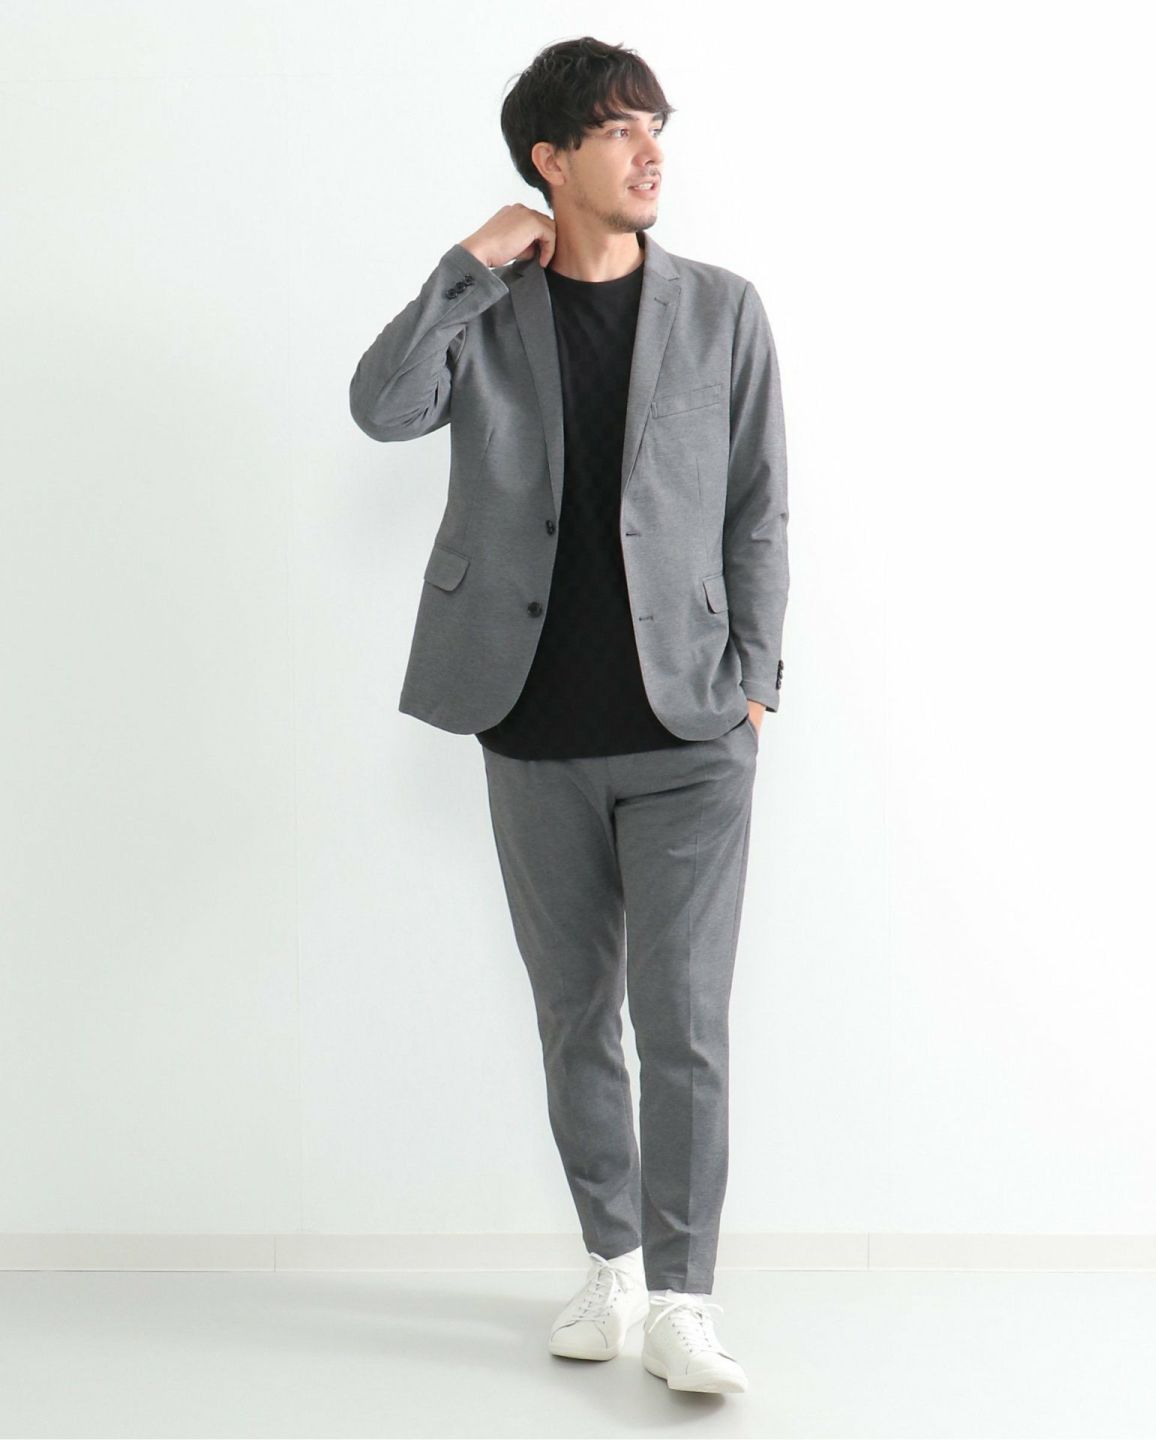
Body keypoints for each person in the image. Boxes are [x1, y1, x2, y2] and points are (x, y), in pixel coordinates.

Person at [348, 36, 788, 1396]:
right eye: (617, 130)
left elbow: (758, 504)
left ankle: (686, 1303)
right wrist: (468, 263)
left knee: (685, 1022)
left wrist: (756, 682)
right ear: (549, 158)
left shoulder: (722, 310)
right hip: (532, 726)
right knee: (573, 1017)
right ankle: (614, 1265)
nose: (651, 151)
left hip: (689, 732)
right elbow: (383, 409)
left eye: (658, 126)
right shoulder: (488, 312)